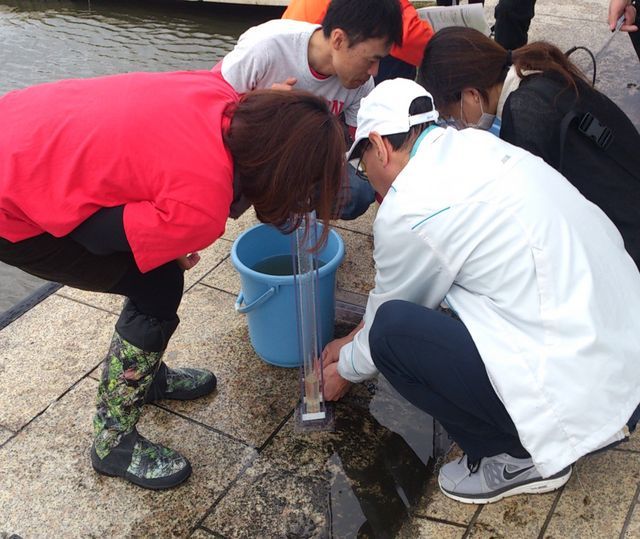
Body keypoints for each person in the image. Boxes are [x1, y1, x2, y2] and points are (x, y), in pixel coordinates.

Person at [0, 71, 346, 490]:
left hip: (19, 123)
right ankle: (113, 441)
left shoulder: (218, 94)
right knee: (157, 287)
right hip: (12, 200)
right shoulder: (202, 202)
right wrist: (169, 235)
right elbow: (93, 235)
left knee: (156, 276)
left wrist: (164, 230)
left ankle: (143, 376)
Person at [321, 78, 640, 504]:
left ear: (378, 146)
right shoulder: (477, 147)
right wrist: (349, 340)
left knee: (392, 335)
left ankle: (515, 457)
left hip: (585, 400)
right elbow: (396, 291)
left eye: (362, 165)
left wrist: (344, 369)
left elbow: (390, 312)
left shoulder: (410, 206)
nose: (368, 176)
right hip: (623, 352)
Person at [418, 26, 640, 269]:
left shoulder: (523, 113)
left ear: (471, 94)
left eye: (452, 115)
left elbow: (533, 226)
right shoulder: (534, 71)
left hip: (625, 245)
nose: (458, 125)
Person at [214, 0, 403, 220]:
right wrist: (259, 105)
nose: (374, 71)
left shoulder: (362, 86)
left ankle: (293, 210)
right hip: (261, 157)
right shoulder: (265, 48)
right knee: (226, 196)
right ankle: (271, 204)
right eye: (371, 60)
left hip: (308, 158)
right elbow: (209, 106)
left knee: (358, 191)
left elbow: (355, 147)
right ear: (339, 39)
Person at [281, 0, 434, 82]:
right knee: (390, 45)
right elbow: (413, 40)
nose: (372, 72)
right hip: (304, 71)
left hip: (297, 53)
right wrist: (454, 53)